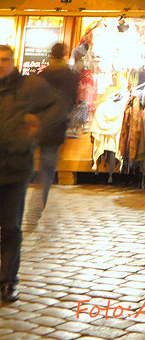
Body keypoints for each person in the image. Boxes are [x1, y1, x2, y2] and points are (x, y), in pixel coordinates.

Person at [0, 44, 58, 302]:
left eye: (5, 59)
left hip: (16, 168)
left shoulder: (29, 87)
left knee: (11, 227)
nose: (1, 63)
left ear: (13, 61)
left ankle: (7, 282)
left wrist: (38, 128)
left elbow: (58, 106)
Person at [33, 43, 80, 215]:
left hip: (40, 123)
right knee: (48, 161)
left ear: (51, 55)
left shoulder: (43, 74)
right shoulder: (72, 75)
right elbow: (73, 100)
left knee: (38, 157)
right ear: (66, 55)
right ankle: (41, 197)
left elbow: (35, 98)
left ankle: (36, 190)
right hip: (58, 123)